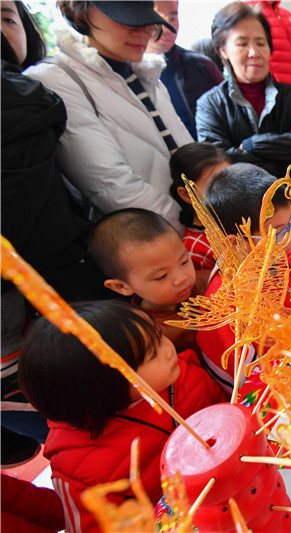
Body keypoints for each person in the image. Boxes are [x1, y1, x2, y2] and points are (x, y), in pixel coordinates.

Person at [1, 0, 114, 469]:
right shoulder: (27, 98)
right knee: (100, 435)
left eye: (7, 16)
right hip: (36, 325)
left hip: (45, 316)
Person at [18, 300, 225, 533]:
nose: (168, 349)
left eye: (158, 334)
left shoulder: (180, 373)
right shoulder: (79, 471)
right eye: (151, 353)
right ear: (104, 388)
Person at [25, 1, 193, 231]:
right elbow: (111, 186)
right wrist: (192, 227)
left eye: (147, 22)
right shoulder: (57, 78)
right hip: (147, 242)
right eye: (129, 21)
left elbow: (189, 151)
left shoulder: (146, 72)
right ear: (80, 12)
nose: (143, 32)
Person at [197, 2, 291, 179]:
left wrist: (252, 145)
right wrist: (285, 156)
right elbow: (218, 166)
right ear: (223, 50)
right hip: (242, 205)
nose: (254, 52)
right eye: (242, 44)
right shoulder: (209, 105)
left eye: (261, 43)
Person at [199, 163, 291, 391]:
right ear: (235, 241)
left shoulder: (268, 260)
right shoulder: (226, 306)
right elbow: (250, 381)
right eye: (277, 232)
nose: (288, 239)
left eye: (289, 225)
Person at [89, 209, 203, 354]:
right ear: (121, 286)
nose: (181, 278)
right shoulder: (151, 337)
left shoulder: (207, 281)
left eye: (184, 261)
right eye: (161, 276)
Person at [145, 1, 224, 139]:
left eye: (172, 18)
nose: (167, 28)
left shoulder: (202, 65)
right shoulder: (128, 72)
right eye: (158, 19)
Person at [169, 143, 232, 271]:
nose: (231, 189)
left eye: (232, 179)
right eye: (215, 185)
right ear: (187, 195)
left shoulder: (242, 215)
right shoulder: (195, 250)